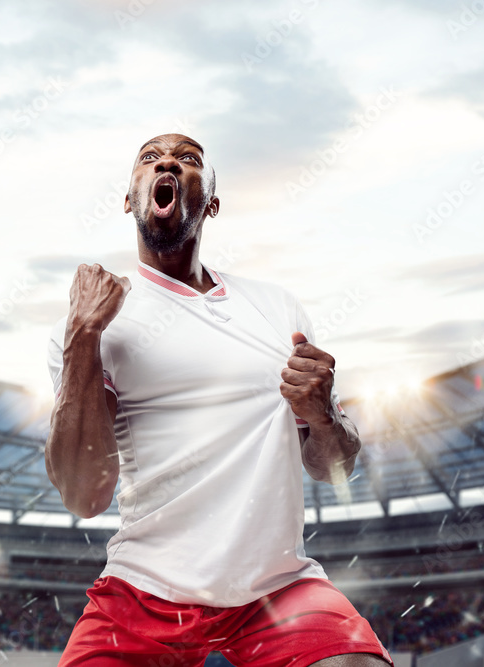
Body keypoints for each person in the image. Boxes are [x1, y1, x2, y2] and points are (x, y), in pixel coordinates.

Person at [45, 134, 393, 666]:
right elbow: (82, 495)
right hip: (144, 591)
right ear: (128, 197)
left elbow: (335, 466)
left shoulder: (277, 310)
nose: (166, 162)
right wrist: (82, 335)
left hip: (277, 588)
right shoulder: (96, 320)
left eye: (188, 159)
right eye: (149, 158)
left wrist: (323, 413)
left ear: (210, 201)